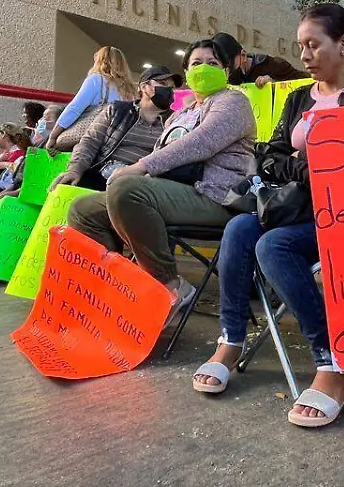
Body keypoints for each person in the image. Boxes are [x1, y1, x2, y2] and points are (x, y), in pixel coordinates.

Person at [192, 3, 344, 422]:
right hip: (292, 208)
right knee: (238, 230)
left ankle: (334, 361)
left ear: (342, 44)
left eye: (313, 45)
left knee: (273, 247)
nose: (304, 56)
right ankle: (231, 338)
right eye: (300, 45)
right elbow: (269, 157)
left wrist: (310, 164)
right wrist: (317, 164)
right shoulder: (300, 96)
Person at [67, 38, 255, 321]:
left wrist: (140, 166)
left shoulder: (233, 101)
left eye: (213, 63)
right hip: (174, 192)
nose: (204, 68)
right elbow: (162, 152)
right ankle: (116, 289)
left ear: (227, 72)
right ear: (188, 72)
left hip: (216, 196)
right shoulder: (182, 113)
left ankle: (169, 286)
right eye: (196, 63)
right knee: (83, 211)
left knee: (127, 189)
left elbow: (200, 143)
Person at [51, 66, 181, 191]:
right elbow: (90, 142)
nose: (169, 90)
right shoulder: (117, 111)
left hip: (142, 187)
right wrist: (75, 169)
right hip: (102, 177)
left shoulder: (176, 121)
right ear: (143, 86)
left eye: (172, 87)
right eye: (163, 83)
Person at [47, 46, 140, 150]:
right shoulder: (131, 89)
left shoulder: (96, 80)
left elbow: (74, 109)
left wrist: (53, 135)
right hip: (116, 143)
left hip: (92, 139)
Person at [212, 32, 308, 88]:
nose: (226, 73)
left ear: (243, 55)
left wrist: (275, 86)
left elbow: (307, 83)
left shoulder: (275, 65)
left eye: (229, 64)